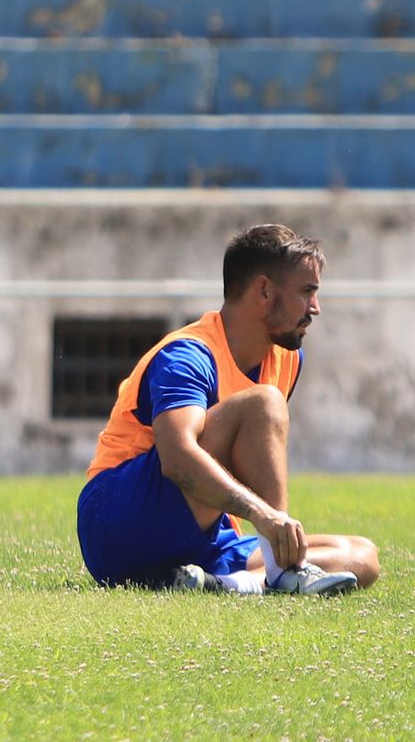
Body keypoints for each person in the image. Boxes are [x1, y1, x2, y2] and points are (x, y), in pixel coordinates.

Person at [77, 224, 380, 595]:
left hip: (198, 536)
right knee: (264, 401)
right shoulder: (187, 354)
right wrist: (263, 515)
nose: (315, 308)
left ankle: (224, 584)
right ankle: (280, 573)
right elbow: (177, 458)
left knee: (361, 556)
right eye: (306, 292)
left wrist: (263, 521)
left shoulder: (287, 359)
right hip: (116, 521)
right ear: (264, 290)